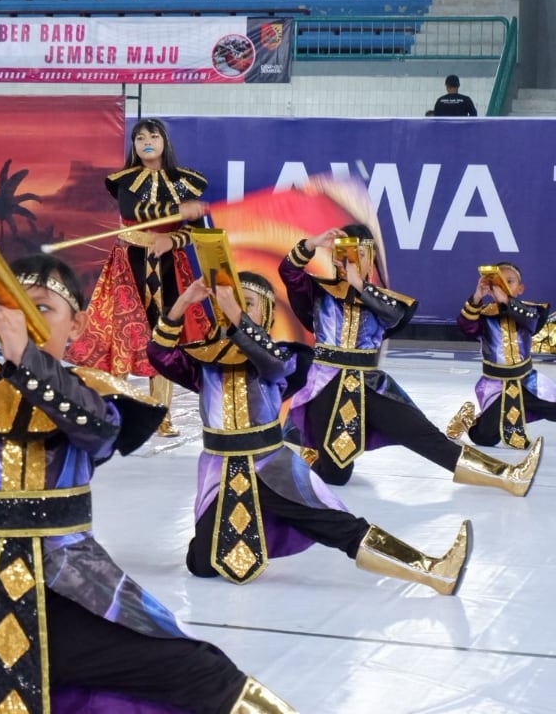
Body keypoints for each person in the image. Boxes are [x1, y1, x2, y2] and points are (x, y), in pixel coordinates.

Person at [0, 253, 295, 714]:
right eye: (11, 307)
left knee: (209, 677)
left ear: (77, 325)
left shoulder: (94, 395)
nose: (23, 319)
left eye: (42, 308)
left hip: (77, 591)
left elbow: (98, 432)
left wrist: (29, 361)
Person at [148, 270, 471, 595]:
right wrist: (184, 303)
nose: (236, 308)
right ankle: (255, 529)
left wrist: (236, 318)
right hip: (220, 473)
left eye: (248, 303)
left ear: (268, 313)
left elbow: (270, 363)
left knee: (341, 527)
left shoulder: (285, 357)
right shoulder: (203, 362)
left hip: (272, 467)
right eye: (229, 303)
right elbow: (159, 354)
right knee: (201, 565)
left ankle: (431, 570)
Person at [280, 225, 541, 496]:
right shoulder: (319, 292)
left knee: (427, 437)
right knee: (336, 475)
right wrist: (312, 243)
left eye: (359, 253)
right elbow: (289, 272)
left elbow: (395, 316)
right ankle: (307, 458)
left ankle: (508, 476)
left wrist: (360, 285)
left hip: (372, 387)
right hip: (326, 388)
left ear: (370, 258)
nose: (349, 259)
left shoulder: (387, 301)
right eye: (343, 252)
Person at [67, 117, 210, 437]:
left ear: (164, 143)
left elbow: (197, 232)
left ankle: (162, 414)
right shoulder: (124, 180)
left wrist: (175, 237)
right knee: (124, 334)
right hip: (129, 264)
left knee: (166, 334)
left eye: (153, 136)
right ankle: (118, 413)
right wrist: (178, 210)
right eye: (139, 137)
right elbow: (134, 213)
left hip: (169, 264)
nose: (146, 141)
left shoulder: (188, 182)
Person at [447, 262, 556, 449]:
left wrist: (506, 301)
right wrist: (477, 297)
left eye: (510, 281)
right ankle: (468, 419)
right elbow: (466, 327)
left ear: (520, 289)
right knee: (485, 438)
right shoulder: (484, 315)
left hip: (527, 383)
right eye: (498, 283)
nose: (503, 286)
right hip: (496, 385)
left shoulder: (530, 312)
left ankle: (512, 416)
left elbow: (531, 323)